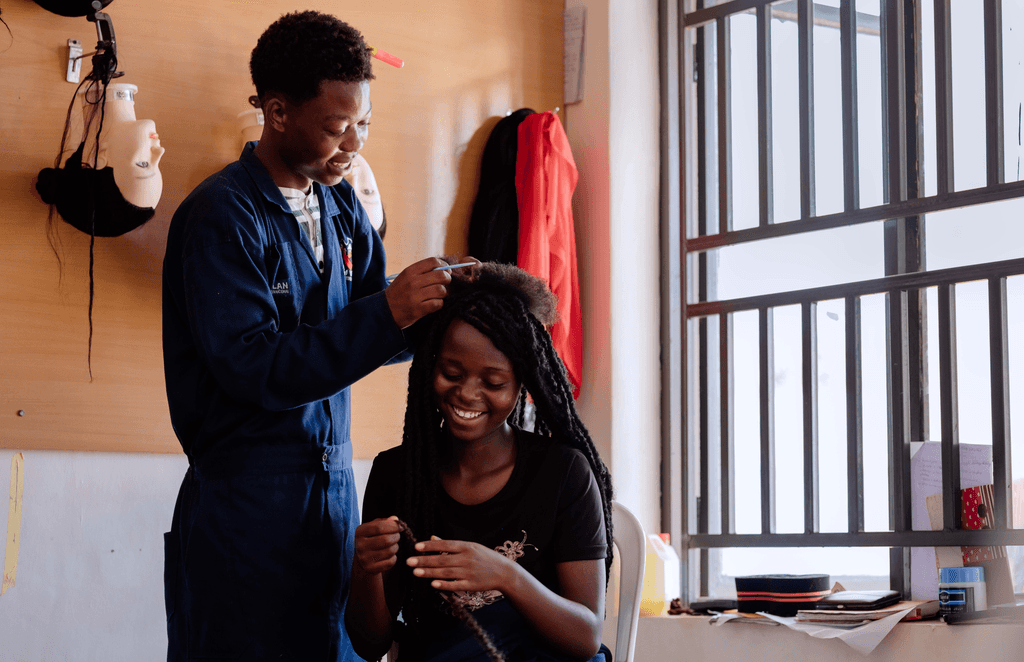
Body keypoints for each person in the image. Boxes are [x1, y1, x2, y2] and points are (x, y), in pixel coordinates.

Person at [161, 11, 452, 662]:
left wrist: (440, 309)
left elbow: (383, 329)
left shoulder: (340, 205)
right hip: (246, 502)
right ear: (277, 111)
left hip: (332, 493)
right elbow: (256, 369)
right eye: (337, 127)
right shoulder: (221, 215)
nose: (354, 146)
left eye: (364, 125)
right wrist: (389, 314)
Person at [347, 262, 615, 662]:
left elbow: (585, 637)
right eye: (451, 373)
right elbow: (371, 646)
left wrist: (505, 575)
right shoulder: (397, 474)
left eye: (493, 383)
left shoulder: (563, 474)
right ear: (428, 369)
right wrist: (366, 570)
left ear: (522, 384)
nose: (467, 395)